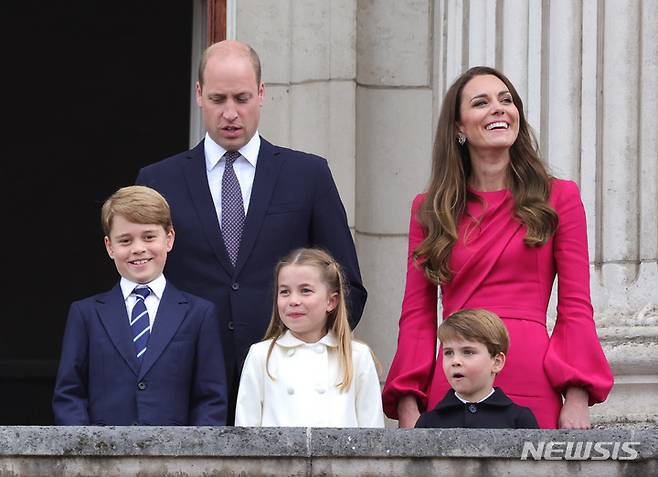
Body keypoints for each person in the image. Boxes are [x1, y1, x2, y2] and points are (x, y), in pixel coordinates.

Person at [135, 40, 366, 422]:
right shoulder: (159, 181)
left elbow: (347, 286)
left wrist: (303, 355)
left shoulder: (307, 176)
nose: (230, 113)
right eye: (218, 98)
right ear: (198, 95)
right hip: (186, 390)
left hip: (288, 391)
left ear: (261, 94)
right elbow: (140, 285)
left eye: (242, 98)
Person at [383, 66, 613, 429]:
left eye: (506, 100)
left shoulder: (559, 197)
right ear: (459, 127)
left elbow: (576, 306)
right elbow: (416, 314)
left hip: (531, 377)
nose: (499, 108)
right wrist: (409, 401)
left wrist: (577, 395)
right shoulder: (429, 209)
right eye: (481, 102)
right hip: (455, 382)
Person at [52, 186, 227, 425]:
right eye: (125, 240)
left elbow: (210, 399)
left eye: (148, 237)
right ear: (109, 247)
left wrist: (194, 457)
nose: (138, 248)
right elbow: (69, 394)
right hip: (102, 457)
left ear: (169, 238)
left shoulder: (199, 314)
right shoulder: (85, 314)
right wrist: (86, 454)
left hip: (176, 457)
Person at [234, 248, 384, 427]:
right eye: (284, 292)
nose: (293, 300)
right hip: (278, 456)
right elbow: (245, 431)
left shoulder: (357, 356)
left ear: (331, 302)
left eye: (305, 290)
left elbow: (372, 434)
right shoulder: (261, 355)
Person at [415, 309, 538, 428]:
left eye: (468, 352)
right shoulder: (428, 422)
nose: (455, 361)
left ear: (497, 362)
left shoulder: (520, 420)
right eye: (448, 353)